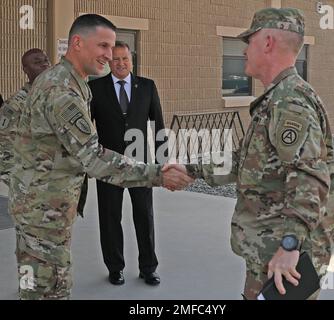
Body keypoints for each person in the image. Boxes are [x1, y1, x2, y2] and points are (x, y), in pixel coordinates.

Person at [5, 14, 192, 300]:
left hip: (46, 206)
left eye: (114, 48)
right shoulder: (61, 90)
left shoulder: (72, 82)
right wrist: (158, 174)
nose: (110, 55)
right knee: (47, 290)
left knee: (43, 286)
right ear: (77, 43)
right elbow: (92, 156)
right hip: (42, 212)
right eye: (103, 46)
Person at [177, 7, 334, 300]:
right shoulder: (277, 98)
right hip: (269, 251)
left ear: (267, 43)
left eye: (248, 41)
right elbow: (245, 161)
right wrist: (190, 169)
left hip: (282, 260)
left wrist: (289, 246)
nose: (243, 51)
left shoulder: (289, 101)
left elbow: (310, 178)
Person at [89, 41, 165, 286]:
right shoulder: (95, 88)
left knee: (144, 215)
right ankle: (115, 267)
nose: (121, 64)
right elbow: (84, 128)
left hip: (140, 163)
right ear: (109, 61)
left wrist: (161, 163)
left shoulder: (147, 86)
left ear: (132, 60)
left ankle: (148, 268)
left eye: (125, 59)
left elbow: (158, 125)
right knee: (110, 217)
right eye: (116, 59)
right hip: (108, 164)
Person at [0, 49, 51, 186]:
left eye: (46, 60)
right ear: (25, 69)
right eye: (37, 62)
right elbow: (5, 148)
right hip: (35, 184)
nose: (44, 64)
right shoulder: (15, 105)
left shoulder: (57, 97)